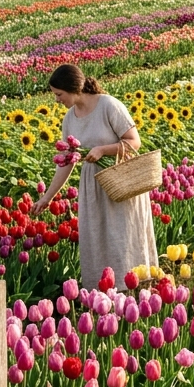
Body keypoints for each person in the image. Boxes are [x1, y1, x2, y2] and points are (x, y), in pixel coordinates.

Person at [31, 64, 158, 291]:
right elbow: (66, 161)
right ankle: (103, 294)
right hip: (93, 186)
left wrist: (103, 150)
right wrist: (47, 198)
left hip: (119, 180)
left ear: (73, 88)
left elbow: (133, 141)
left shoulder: (108, 105)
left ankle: (133, 289)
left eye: (59, 94)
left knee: (123, 236)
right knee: (98, 240)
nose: (57, 100)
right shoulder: (70, 118)